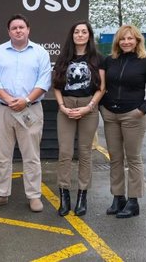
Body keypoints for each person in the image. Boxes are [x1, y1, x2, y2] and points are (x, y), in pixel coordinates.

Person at [0, 14, 51, 212]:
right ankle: (1, 194)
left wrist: (26, 100)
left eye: (21, 27)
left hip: (30, 109)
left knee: (31, 156)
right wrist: (8, 99)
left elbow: (44, 81)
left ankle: (34, 196)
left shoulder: (40, 53)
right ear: (9, 32)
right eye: (14, 28)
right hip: (2, 110)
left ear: (28, 30)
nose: (18, 30)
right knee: (2, 156)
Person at [100, 24, 146, 219]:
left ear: (137, 41)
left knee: (133, 159)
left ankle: (133, 201)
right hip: (110, 116)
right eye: (123, 39)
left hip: (133, 116)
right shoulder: (110, 61)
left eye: (130, 38)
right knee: (115, 158)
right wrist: (102, 107)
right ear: (118, 41)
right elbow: (102, 86)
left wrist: (141, 110)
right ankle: (118, 198)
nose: (126, 42)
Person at [52, 21, 104, 217]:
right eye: (77, 32)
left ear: (89, 35)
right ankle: (64, 195)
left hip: (89, 106)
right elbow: (56, 86)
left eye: (84, 32)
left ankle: (82, 195)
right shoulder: (64, 58)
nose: (80, 35)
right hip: (66, 106)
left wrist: (89, 107)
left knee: (85, 153)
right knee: (65, 152)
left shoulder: (98, 59)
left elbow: (102, 87)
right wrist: (62, 106)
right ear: (72, 35)